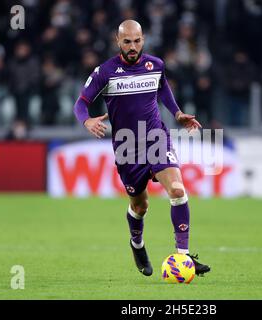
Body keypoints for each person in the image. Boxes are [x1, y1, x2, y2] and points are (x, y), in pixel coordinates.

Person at [73, 20, 210, 277]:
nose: (133, 46)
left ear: (143, 40)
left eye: (137, 41)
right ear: (118, 41)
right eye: (127, 41)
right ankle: (137, 244)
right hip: (127, 146)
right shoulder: (105, 71)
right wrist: (87, 119)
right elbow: (81, 103)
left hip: (156, 138)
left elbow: (163, 89)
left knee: (178, 189)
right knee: (140, 206)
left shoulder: (155, 65)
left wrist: (178, 113)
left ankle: (183, 257)